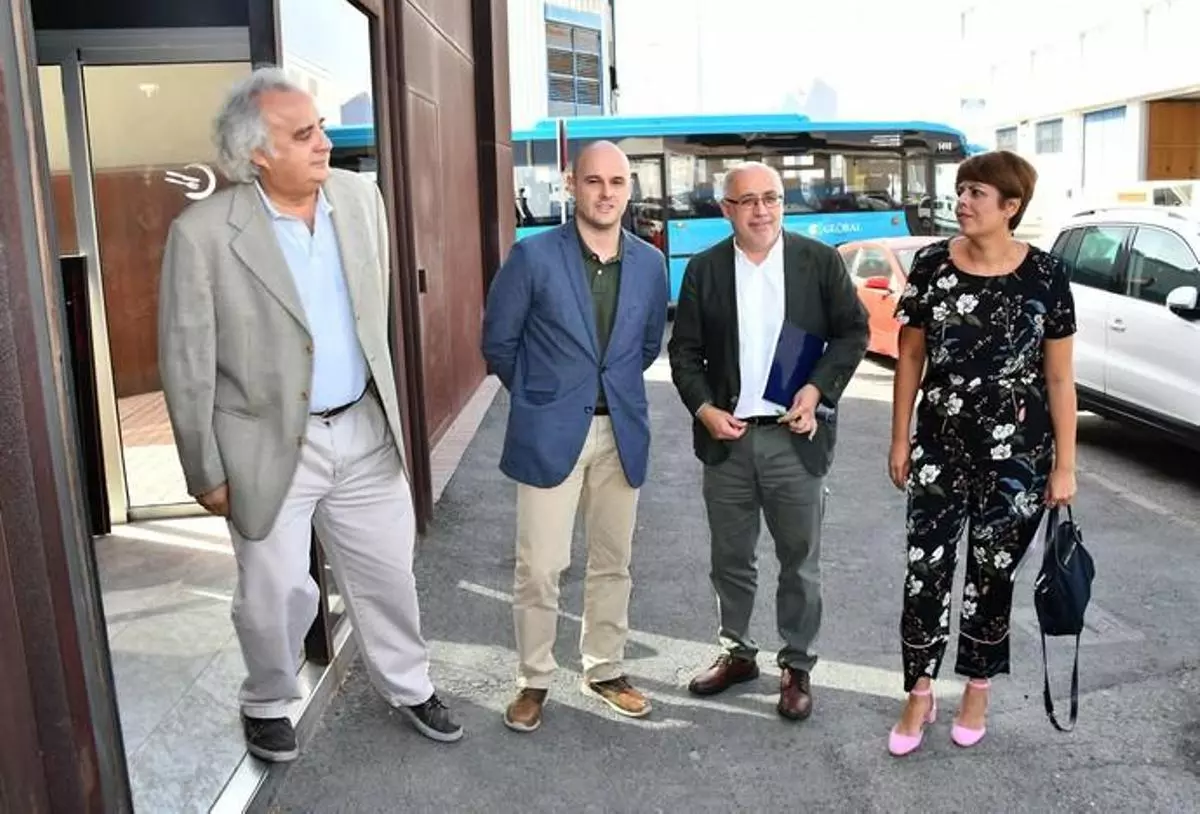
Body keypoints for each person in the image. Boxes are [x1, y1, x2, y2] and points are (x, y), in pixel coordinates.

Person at [158, 67, 462, 762]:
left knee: (388, 576)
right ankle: (268, 699)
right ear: (257, 154)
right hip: (264, 445)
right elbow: (186, 359)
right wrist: (205, 470)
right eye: (303, 134)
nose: (324, 142)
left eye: (320, 126)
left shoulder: (359, 198)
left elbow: (376, 313)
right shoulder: (203, 234)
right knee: (273, 595)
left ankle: (409, 685)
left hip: (363, 428)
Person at [886, 150, 1077, 756]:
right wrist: (899, 438)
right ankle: (919, 692)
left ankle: (976, 688)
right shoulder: (932, 264)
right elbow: (910, 356)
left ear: (1010, 206)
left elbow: (1059, 379)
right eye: (961, 190)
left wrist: (1065, 465)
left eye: (976, 193)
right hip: (939, 446)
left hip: (1019, 456)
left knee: (992, 575)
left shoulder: (1047, 274)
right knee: (926, 572)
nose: (962, 202)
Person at [667, 161, 869, 721]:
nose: (761, 210)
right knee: (730, 559)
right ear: (726, 209)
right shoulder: (705, 269)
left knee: (799, 562)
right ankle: (737, 654)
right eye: (747, 200)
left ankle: (797, 665)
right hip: (727, 441)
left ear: (783, 202)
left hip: (794, 439)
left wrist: (817, 390)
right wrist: (705, 409)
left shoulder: (818, 261)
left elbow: (853, 332)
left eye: (771, 198)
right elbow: (683, 352)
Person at [481, 140, 669, 733]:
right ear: (572, 185)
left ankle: (604, 669)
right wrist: (543, 397)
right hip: (550, 432)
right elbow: (499, 343)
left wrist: (606, 390)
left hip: (622, 432)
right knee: (540, 567)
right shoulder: (532, 257)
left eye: (617, 182)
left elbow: (645, 347)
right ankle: (534, 679)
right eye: (594, 181)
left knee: (613, 561)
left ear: (629, 189)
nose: (606, 193)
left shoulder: (650, 263)